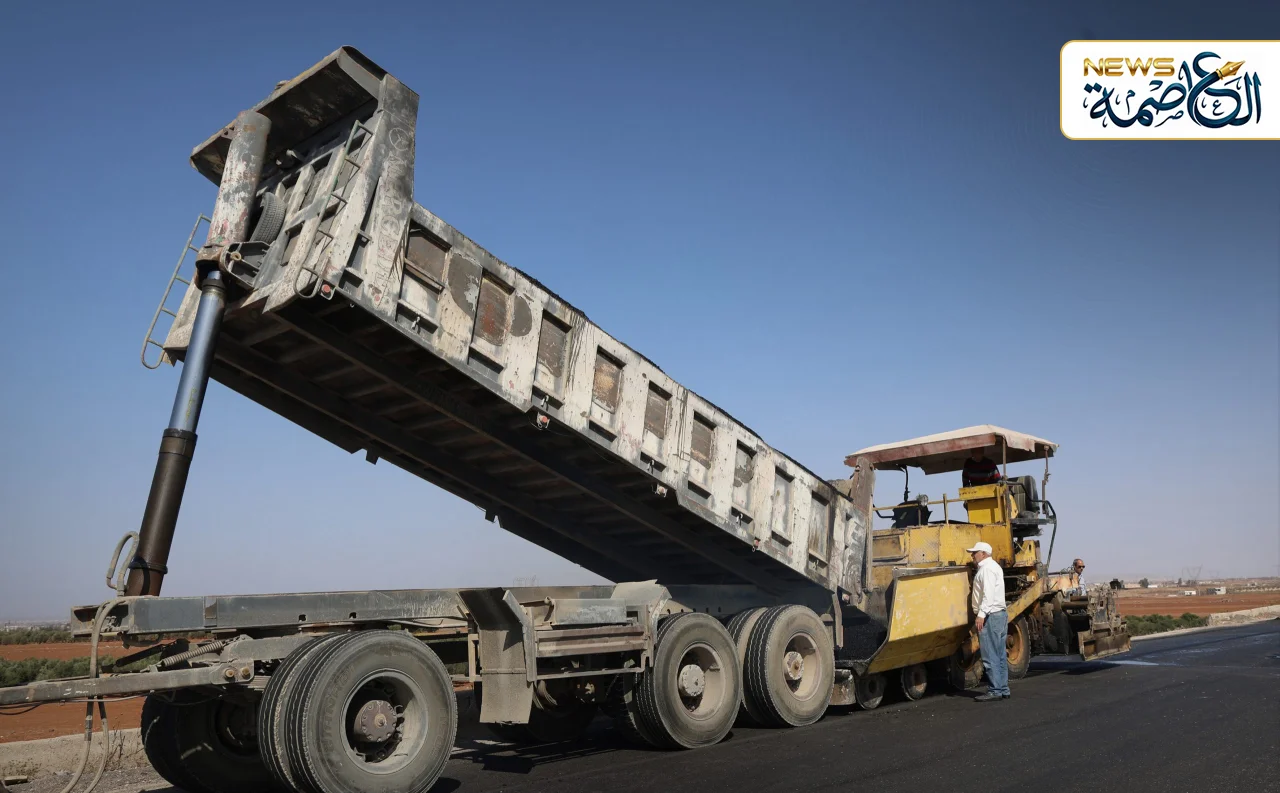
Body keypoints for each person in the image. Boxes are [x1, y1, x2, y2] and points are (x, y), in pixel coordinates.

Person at [967, 541, 1010, 701]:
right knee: (999, 654)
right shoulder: (994, 567)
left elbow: (988, 595)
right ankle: (1003, 689)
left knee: (990, 655)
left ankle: (995, 690)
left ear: (983, 554)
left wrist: (981, 614)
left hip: (990, 616)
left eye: (975, 552)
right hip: (999, 615)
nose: (972, 555)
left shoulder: (986, 570)